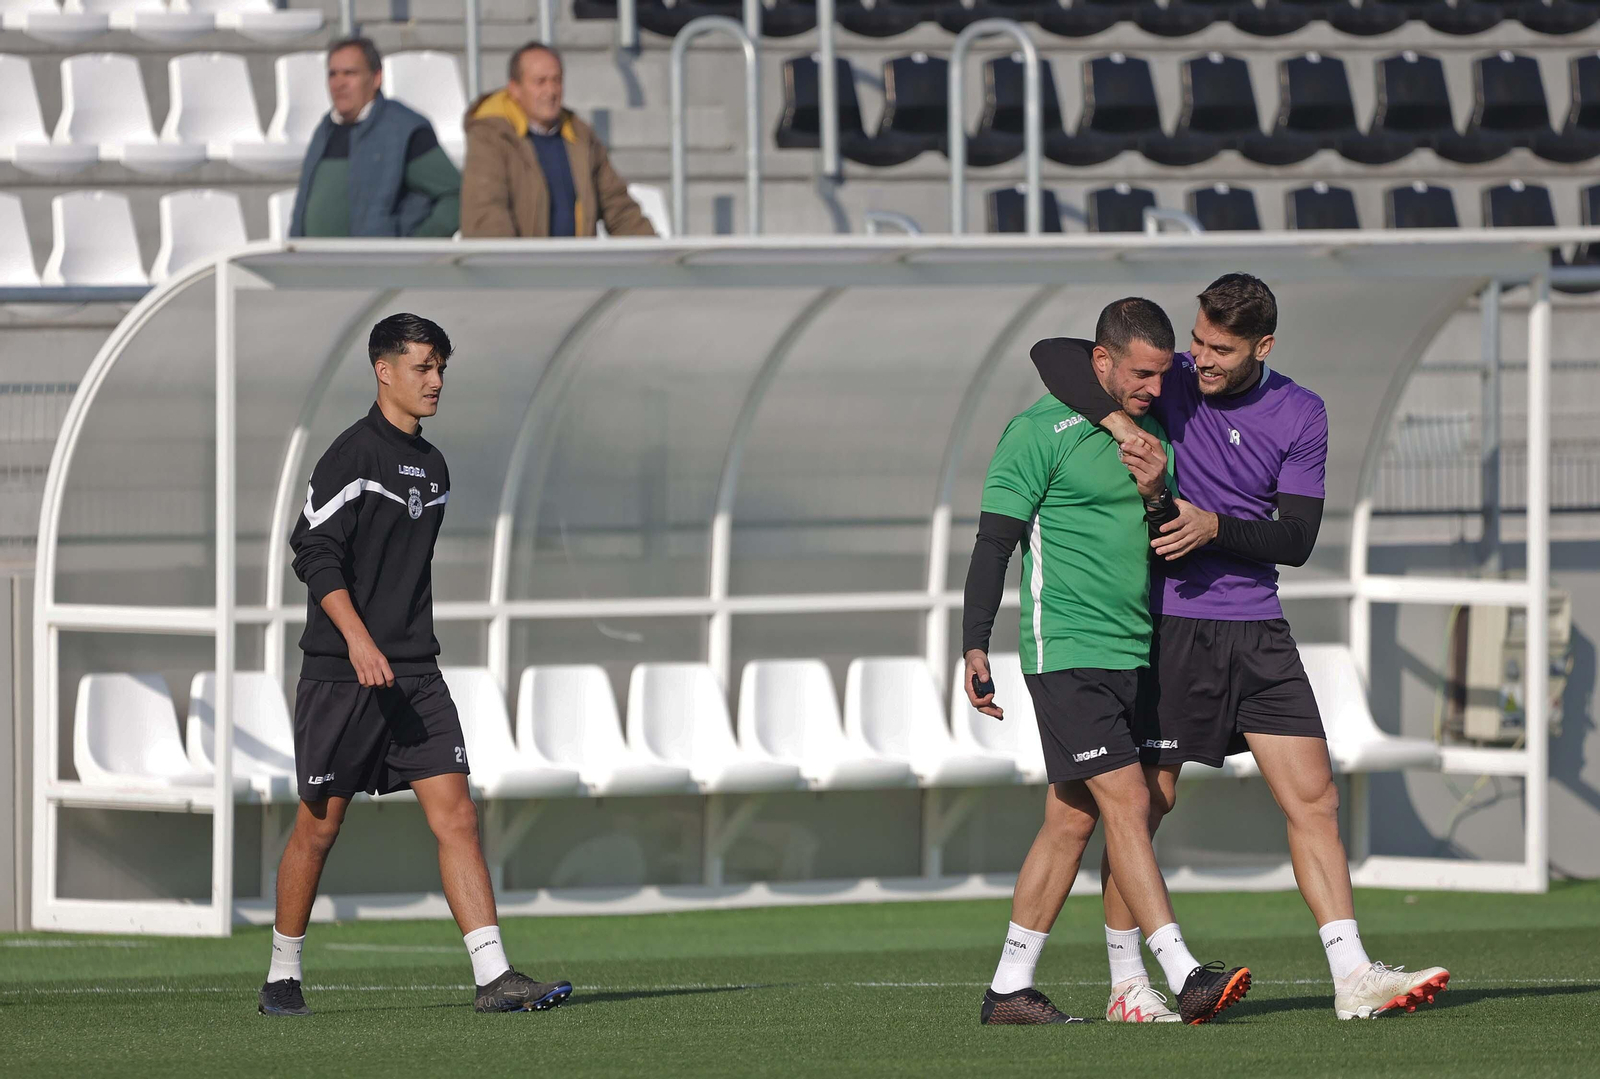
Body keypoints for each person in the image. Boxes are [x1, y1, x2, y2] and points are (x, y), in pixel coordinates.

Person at [1030, 273, 1449, 1022]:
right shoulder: (1175, 380)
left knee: (1314, 794)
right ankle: (1129, 983)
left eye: (1220, 348)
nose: (1201, 358)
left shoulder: (1301, 412)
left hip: (1256, 626)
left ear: (1264, 345)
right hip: (1170, 624)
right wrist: (1119, 423)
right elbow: (1055, 353)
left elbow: (1297, 538)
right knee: (1148, 803)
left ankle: (1352, 976)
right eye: (1197, 340)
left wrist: (1216, 526)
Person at [259, 313, 570, 1017]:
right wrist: (358, 640)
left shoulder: (433, 466)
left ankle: (494, 975)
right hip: (343, 675)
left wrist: (395, 647)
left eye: (441, 369)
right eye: (424, 367)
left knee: (458, 812)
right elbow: (312, 549)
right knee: (319, 825)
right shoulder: (351, 456)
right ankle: (282, 974)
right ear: (384, 369)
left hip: (415, 675)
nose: (435, 381)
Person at [964, 297, 1251, 1027]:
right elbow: (994, 542)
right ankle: (1180, 971)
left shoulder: (1156, 435)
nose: (1156, 388)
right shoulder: (1037, 432)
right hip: (1066, 650)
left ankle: (1009, 988)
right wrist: (974, 640)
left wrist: (1159, 490)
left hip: (1138, 647)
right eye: (1141, 373)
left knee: (1077, 817)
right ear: (1101, 363)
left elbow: (1163, 539)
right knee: (1125, 800)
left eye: (1163, 374)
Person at [460, 42, 655, 238]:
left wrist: (656, 257)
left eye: (557, 80)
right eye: (540, 81)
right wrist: (512, 265)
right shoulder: (490, 137)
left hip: (578, 264)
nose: (551, 91)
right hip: (522, 265)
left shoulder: (581, 136)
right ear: (515, 89)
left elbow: (619, 207)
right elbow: (486, 213)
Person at [289, 37, 461, 238]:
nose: (339, 83)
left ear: (376, 78)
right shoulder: (325, 130)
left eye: (350, 73)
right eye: (333, 74)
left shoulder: (404, 130)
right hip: (312, 265)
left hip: (377, 267)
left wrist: (414, 248)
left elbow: (456, 196)